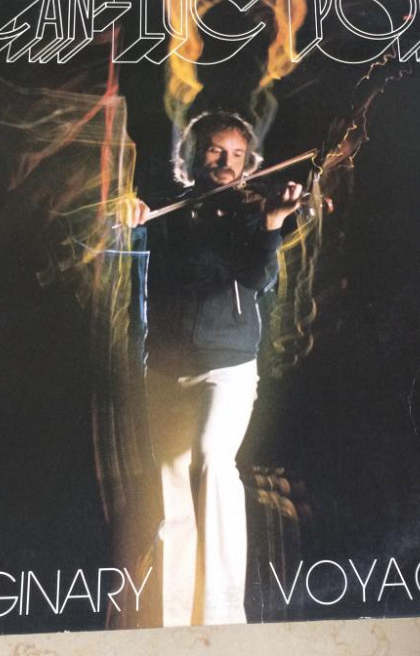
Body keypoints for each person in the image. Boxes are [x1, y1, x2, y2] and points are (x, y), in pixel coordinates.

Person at [127, 111, 301, 625]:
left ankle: (223, 616)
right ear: (194, 153)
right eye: (216, 151)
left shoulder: (252, 212)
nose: (227, 163)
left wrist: (273, 223)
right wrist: (132, 212)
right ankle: (175, 619)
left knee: (212, 464)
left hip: (227, 365)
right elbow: (134, 227)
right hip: (164, 363)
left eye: (238, 155)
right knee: (170, 483)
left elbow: (258, 278)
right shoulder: (168, 205)